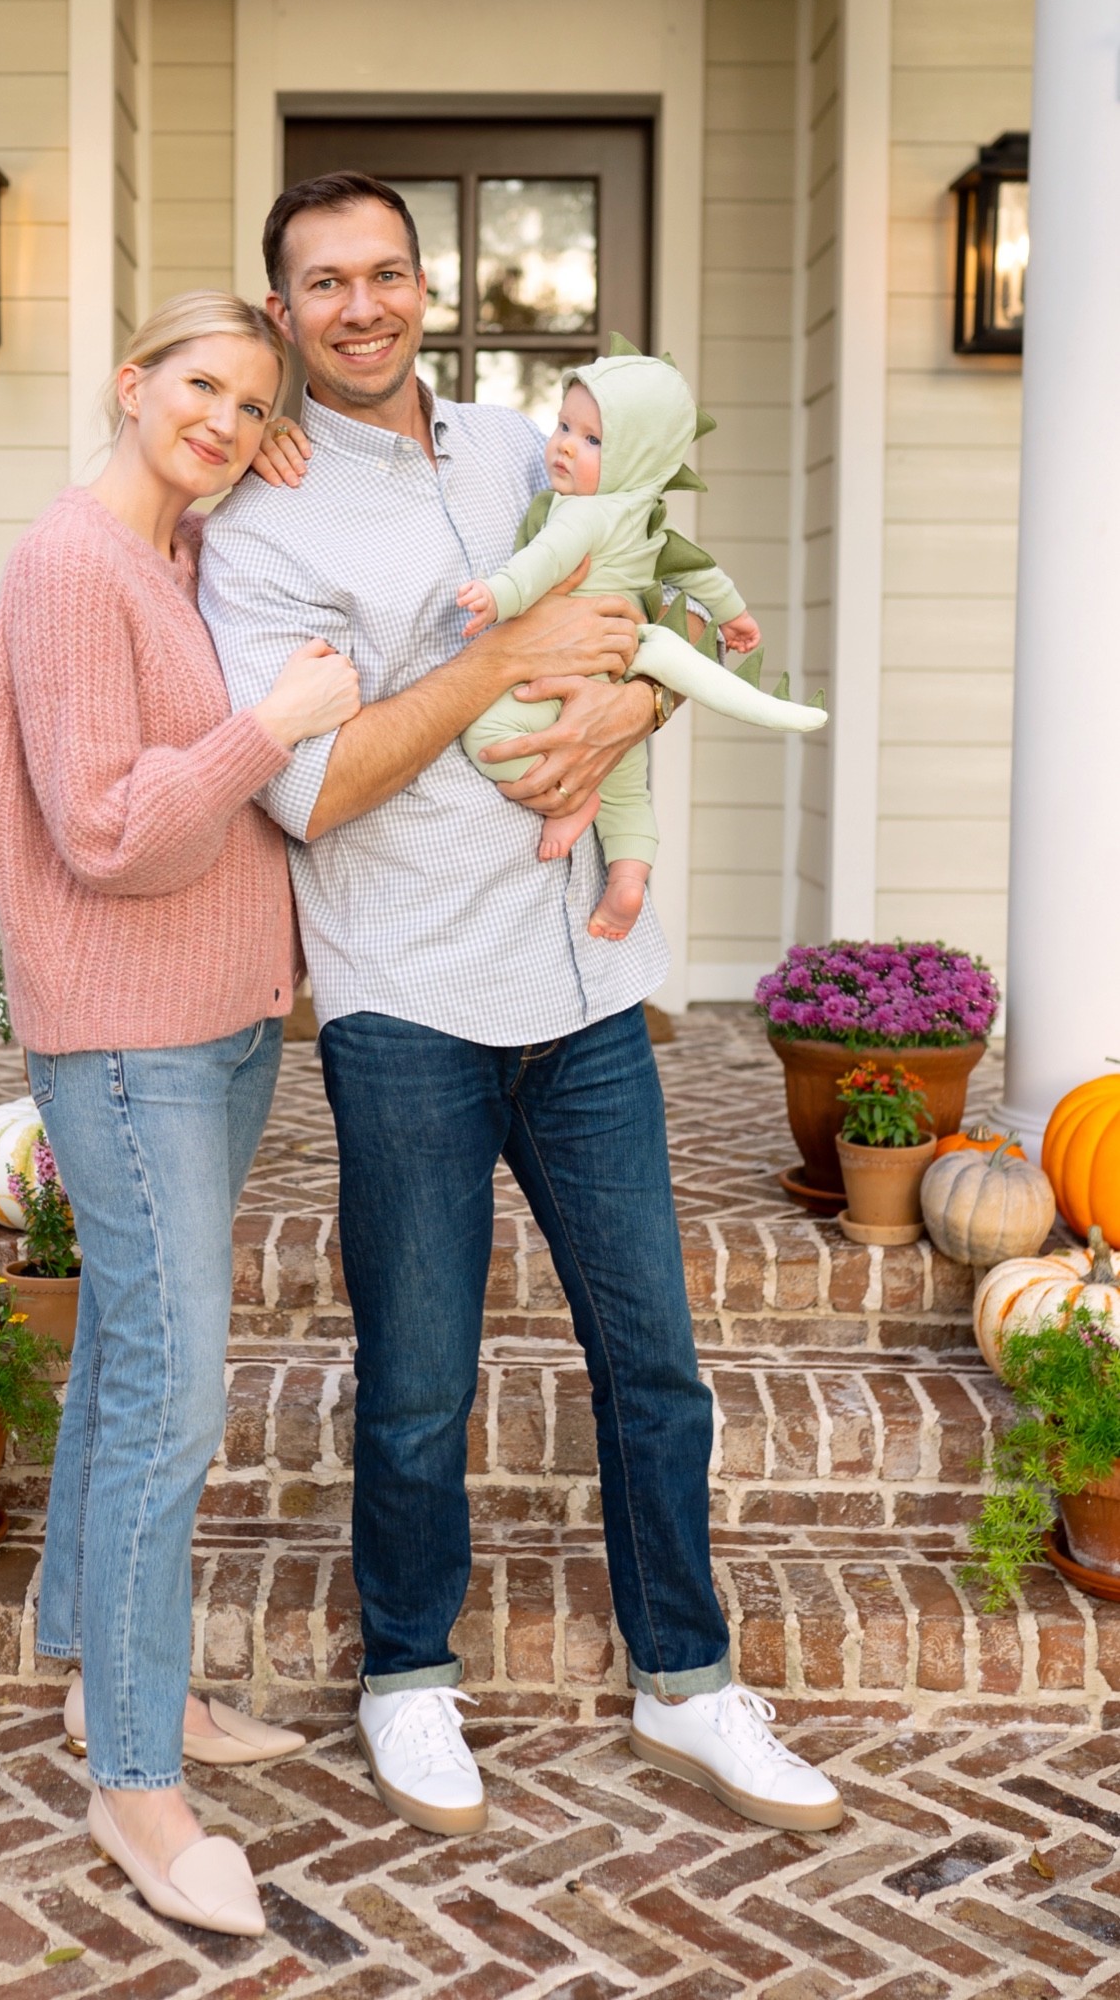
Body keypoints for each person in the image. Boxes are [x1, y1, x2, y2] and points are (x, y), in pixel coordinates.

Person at [203, 172, 842, 1839]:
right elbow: (311, 792)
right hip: (405, 993)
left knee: (659, 1360)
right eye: (324, 282)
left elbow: (640, 610)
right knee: (419, 1374)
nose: (362, 305)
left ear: (431, 287)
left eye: (387, 274)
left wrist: (629, 702)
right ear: (282, 311)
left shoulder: (518, 444)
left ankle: (688, 1684)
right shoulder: (257, 522)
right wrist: (496, 662)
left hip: (582, 984)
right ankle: (409, 1674)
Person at [0, 291, 360, 1933]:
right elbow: (112, 827)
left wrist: (266, 464)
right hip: (129, 1040)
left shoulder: (187, 552)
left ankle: (102, 1674)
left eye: (249, 398)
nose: (220, 416)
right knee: (170, 1395)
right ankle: (138, 1776)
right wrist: (272, 726)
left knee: (134, 1355)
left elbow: (254, 565)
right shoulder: (74, 565)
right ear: (130, 381)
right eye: (197, 384)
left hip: (218, 1029)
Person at [456, 341, 760, 940]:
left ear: (638, 458)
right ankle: (627, 880)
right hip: (618, 679)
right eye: (564, 425)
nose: (565, 444)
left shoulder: (582, 512)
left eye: (592, 440)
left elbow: (545, 562)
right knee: (626, 783)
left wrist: (498, 595)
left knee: (485, 734)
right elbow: (699, 573)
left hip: (563, 676)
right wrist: (736, 616)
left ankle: (572, 804)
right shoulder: (647, 515)